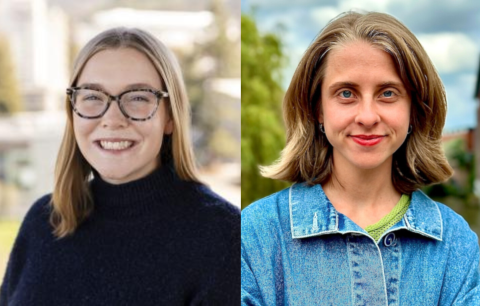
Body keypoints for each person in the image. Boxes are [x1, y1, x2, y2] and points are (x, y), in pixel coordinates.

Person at [241, 11, 480, 305]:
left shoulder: (458, 246)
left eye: (388, 93)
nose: (367, 116)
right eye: (346, 93)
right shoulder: (254, 236)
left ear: (414, 110)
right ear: (318, 108)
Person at [0, 27, 240, 305]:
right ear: (72, 111)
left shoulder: (223, 238)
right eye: (92, 97)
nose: (112, 119)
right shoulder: (43, 221)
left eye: (138, 97)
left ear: (170, 117)